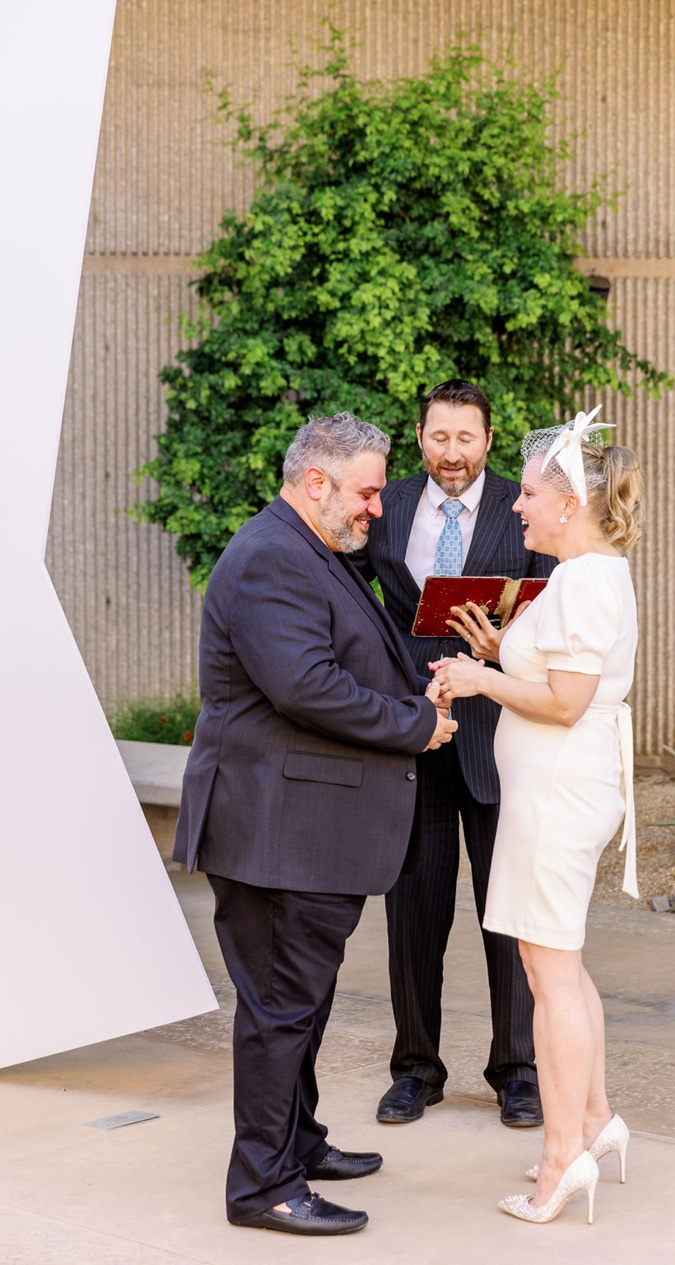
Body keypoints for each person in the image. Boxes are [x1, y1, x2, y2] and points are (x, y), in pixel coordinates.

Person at [173, 414, 457, 1236]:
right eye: (368, 492)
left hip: (299, 832)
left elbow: (343, 660)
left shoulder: (307, 551)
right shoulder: (270, 557)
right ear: (317, 482)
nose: (377, 508)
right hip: (273, 832)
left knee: (301, 1003)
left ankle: (295, 1141)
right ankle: (263, 1186)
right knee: (278, 1010)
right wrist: (413, 726)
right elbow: (308, 686)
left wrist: (418, 689)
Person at [430, 410, 643, 1225]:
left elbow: (566, 700)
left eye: (525, 495)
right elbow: (551, 670)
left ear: (567, 503)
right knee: (559, 964)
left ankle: (562, 1160)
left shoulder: (586, 577)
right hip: (552, 788)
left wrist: (481, 683)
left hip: (558, 791)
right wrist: (492, 654)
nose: (515, 508)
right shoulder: (582, 574)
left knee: (548, 976)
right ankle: (592, 1121)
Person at [354, 379, 552, 1130]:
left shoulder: (522, 505)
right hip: (413, 732)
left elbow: (551, 603)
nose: (452, 452)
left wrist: (508, 649)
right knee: (413, 914)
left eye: (466, 438)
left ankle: (518, 1070)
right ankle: (415, 1069)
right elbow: (353, 600)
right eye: (439, 437)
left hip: (498, 736)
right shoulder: (389, 505)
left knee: (507, 914)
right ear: (420, 436)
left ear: (489, 441)